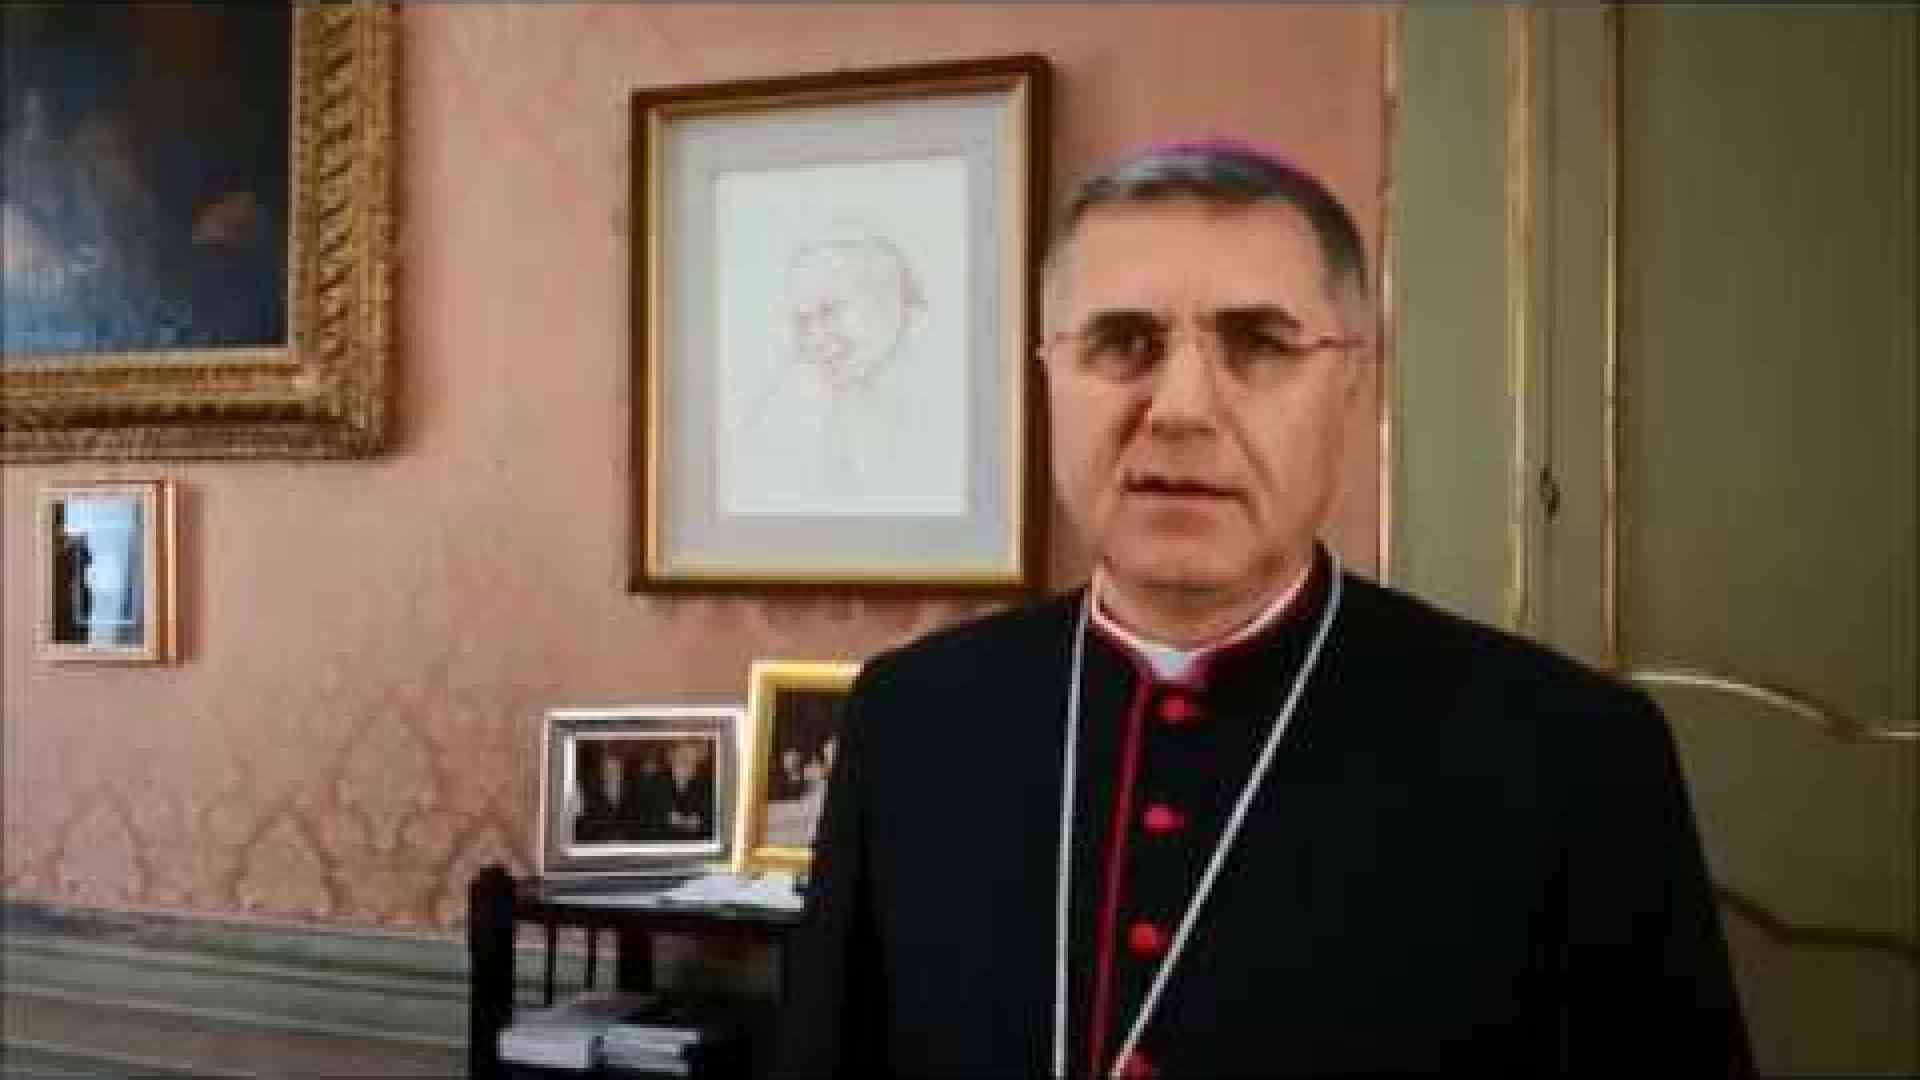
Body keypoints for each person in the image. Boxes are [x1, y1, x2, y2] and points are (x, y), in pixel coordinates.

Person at [773, 140, 1752, 1077]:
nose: (1181, 407)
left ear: (1351, 385)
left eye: (1259, 344)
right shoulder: (911, 717)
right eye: (1123, 343)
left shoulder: (1573, 757)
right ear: (1049, 376)